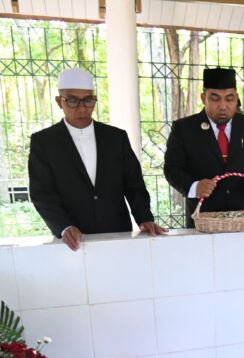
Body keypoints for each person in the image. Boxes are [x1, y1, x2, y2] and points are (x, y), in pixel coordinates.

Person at [28, 67, 166, 251]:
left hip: (117, 234)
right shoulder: (44, 142)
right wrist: (64, 227)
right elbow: (42, 193)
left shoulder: (116, 137)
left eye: (88, 100)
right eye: (72, 100)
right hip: (73, 240)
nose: (82, 108)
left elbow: (133, 183)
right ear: (59, 102)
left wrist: (145, 218)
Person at [163, 68, 244, 228]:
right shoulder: (184, 128)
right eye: (215, 99)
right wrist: (195, 187)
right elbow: (172, 169)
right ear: (204, 98)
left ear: (236, 98)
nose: (223, 106)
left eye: (229, 99)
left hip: (243, 219)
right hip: (202, 222)